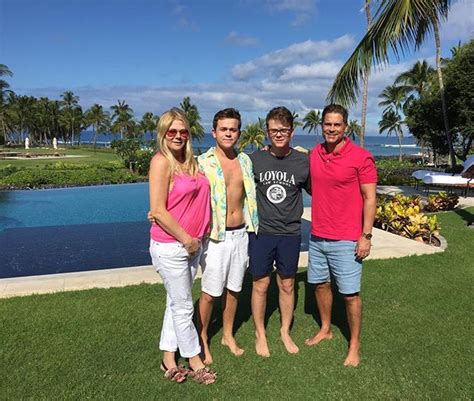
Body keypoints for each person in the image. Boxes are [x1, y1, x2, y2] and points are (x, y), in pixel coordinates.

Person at [305, 104, 377, 367]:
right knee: (320, 285)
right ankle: (325, 328)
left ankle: (354, 344)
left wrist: (366, 235)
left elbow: (370, 198)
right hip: (318, 235)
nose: (331, 129)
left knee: (349, 294)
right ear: (321, 125)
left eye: (337, 124)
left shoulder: (361, 157)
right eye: (327, 124)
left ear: (345, 127)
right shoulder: (315, 154)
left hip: (347, 238)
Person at [148, 108, 216, 385]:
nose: (178, 136)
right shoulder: (161, 161)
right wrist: (187, 239)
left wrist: (199, 236)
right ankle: (195, 360)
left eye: (183, 131)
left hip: (191, 246)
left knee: (175, 303)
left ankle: (167, 358)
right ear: (163, 134)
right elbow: (158, 210)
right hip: (172, 246)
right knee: (184, 306)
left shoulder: (191, 163)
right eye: (172, 131)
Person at [197, 108, 259, 364]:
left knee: (234, 290)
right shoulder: (202, 162)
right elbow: (183, 189)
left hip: (240, 233)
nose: (228, 133)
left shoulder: (245, 161)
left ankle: (228, 335)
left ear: (239, 133)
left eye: (233, 129)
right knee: (210, 293)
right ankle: (201, 338)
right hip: (215, 237)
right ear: (214, 132)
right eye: (223, 129)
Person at [249, 106, 310, 357]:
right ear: (267, 131)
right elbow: (229, 184)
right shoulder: (254, 160)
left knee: (287, 284)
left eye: (283, 130)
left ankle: (285, 330)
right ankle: (260, 333)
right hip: (262, 233)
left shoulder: (303, 161)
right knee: (260, 284)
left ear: (292, 132)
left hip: (290, 233)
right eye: (274, 130)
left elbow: (322, 190)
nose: (279, 134)